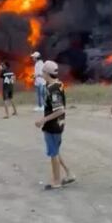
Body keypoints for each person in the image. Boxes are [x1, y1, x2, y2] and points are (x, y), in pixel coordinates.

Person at [34, 60, 75, 190]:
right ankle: (69, 173)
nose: (42, 74)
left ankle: (56, 181)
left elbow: (60, 110)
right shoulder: (57, 84)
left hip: (53, 126)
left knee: (53, 154)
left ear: (47, 73)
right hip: (58, 124)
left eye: (43, 72)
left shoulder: (53, 90)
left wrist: (43, 120)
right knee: (55, 151)